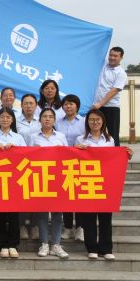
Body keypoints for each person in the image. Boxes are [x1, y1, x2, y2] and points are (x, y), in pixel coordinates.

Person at [75, 109, 133, 260]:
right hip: (87, 181)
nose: (95, 122)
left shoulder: (109, 140)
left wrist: (126, 154)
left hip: (105, 182)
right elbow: (73, 160)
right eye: (92, 120)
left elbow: (113, 159)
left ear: (102, 122)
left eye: (98, 120)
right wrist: (77, 150)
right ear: (87, 122)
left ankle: (106, 248)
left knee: (105, 217)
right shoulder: (80, 139)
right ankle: (91, 248)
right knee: (88, 217)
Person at [0, 107, 26, 258]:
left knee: (14, 213)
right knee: (1, 213)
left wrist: (15, 149)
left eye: (8, 117)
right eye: (2, 117)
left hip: (15, 179)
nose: (5, 119)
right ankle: (3, 244)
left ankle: (13, 244)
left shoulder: (18, 138)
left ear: (12, 120)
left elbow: (26, 156)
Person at [30, 108, 70, 259]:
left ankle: (56, 244)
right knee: (42, 213)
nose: (47, 119)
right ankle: (44, 243)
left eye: (50, 117)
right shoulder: (33, 137)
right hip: (40, 177)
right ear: (39, 120)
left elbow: (68, 156)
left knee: (57, 213)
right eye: (44, 116)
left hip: (58, 178)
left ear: (54, 120)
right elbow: (26, 157)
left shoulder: (61, 136)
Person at [56, 94, 86, 242]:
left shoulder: (84, 122)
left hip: (80, 162)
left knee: (79, 197)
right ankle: (67, 227)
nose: (68, 106)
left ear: (77, 106)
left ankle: (80, 227)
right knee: (66, 195)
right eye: (66, 104)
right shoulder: (58, 123)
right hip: (62, 163)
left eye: (71, 104)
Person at [15, 93, 41, 240]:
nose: (29, 106)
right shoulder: (16, 122)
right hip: (19, 164)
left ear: (36, 105)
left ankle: (34, 225)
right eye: (26, 103)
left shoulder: (41, 121)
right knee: (22, 196)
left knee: (36, 196)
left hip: (38, 164)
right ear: (21, 105)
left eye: (31, 103)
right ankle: (22, 225)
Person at [92, 47, 127, 146]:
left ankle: (115, 154)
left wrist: (100, 104)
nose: (112, 58)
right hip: (96, 106)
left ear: (121, 58)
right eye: (111, 55)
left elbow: (114, 91)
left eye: (115, 56)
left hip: (111, 107)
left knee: (113, 134)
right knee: (95, 131)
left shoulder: (121, 73)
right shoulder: (103, 65)